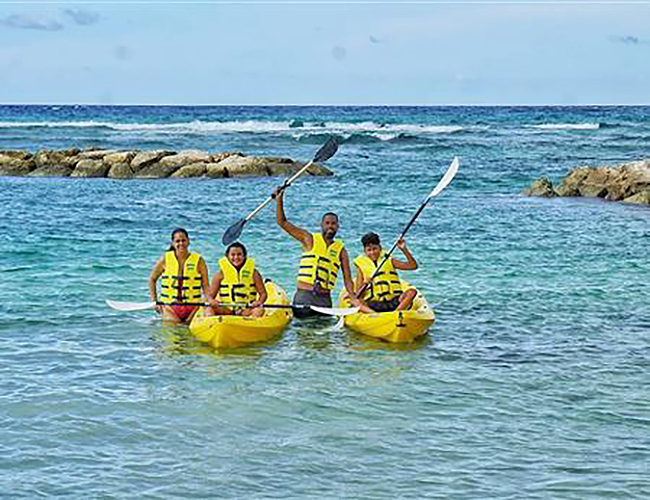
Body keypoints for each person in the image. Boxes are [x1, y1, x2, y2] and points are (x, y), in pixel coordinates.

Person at [274, 186, 360, 318]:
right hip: (304, 296)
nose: (330, 226)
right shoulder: (309, 239)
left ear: (337, 226)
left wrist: (353, 297)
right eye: (327, 223)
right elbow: (282, 222)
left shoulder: (341, 250)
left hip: (324, 299)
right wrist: (280, 199)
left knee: (324, 335)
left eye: (333, 223)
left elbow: (347, 279)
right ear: (322, 225)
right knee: (304, 333)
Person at [149, 228, 212, 324]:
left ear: (188, 241)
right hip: (170, 307)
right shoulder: (165, 259)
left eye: (183, 240)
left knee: (189, 336)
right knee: (173, 334)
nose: (181, 243)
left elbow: (206, 286)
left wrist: (209, 300)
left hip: (193, 306)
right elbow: (152, 279)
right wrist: (154, 302)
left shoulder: (199, 260)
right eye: (177, 241)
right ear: (173, 243)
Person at [353, 232, 418, 314]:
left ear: (380, 248)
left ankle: (396, 313)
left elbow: (413, 266)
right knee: (356, 302)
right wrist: (365, 283)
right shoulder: (361, 265)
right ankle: (374, 315)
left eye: (375, 248)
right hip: (375, 304)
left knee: (412, 292)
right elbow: (359, 294)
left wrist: (404, 250)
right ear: (365, 251)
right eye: (369, 250)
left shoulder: (388, 260)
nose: (372, 252)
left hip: (394, 301)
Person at [207, 242, 267, 318]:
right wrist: (211, 301)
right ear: (227, 256)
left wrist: (259, 302)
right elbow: (210, 295)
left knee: (259, 310)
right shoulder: (220, 275)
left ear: (244, 256)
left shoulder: (254, 273)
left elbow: (263, 294)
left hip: (246, 310)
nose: (236, 257)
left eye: (239, 254)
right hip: (226, 310)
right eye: (233, 255)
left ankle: (251, 325)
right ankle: (212, 326)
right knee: (209, 308)